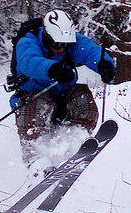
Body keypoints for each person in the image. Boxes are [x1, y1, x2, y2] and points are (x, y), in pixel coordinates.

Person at [10, 9, 115, 159]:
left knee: (82, 95)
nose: (60, 48)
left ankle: (74, 144)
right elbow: (28, 61)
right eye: (56, 43)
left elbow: (91, 51)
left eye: (65, 44)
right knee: (38, 103)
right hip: (33, 97)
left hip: (63, 96)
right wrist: (52, 69)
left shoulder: (73, 43)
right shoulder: (28, 41)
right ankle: (37, 160)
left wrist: (104, 64)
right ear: (46, 36)